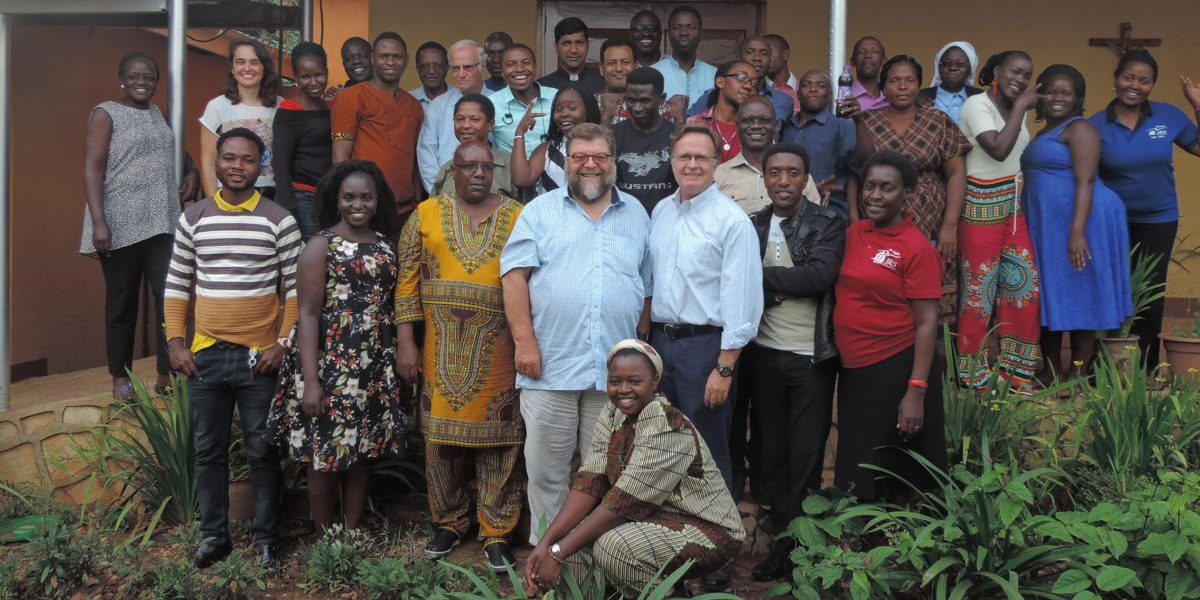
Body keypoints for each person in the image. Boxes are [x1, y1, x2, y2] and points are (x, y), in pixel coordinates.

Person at [501, 123, 653, 545]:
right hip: (549, 365)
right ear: (566, 163)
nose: (590, 165)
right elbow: (514, 278)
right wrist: (525, 343)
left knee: (604, 474)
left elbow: (646, 287)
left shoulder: (637, 213)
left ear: (613, 162)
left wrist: (641, 345)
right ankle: (544, 559)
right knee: (547, 472)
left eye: (600, 157)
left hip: (613, 377)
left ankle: (591, 557)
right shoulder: (539, 211)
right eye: (580, 156)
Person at [164, 128, 300, 570]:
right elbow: (176, 285)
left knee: (262, 450)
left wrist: (282, 344)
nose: (237, 166)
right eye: (229, 158)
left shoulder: (279, 219)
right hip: (204, 356)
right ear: (217, 163)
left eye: (247, 159)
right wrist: (175, 342)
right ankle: (214, 537)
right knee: (208, 451)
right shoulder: (194, 218)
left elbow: (296, 291)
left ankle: (265, 540)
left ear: (262, 167)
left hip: (258, 358)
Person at [524, 340, 745, 597]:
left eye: (635, 381)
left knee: (611, 548)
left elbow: (624, 502)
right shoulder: (612, 414)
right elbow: (590, 483)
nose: (623, 390)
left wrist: (558, 552)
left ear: (655, 382)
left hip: (708, 530)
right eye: (615, 381)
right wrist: (547, 545)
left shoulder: (667, 423)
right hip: (651, 519)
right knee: (574, 555)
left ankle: (666, 594)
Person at [396, 140, 525, 571]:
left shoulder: (517, 216)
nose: (478, 174)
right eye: (469, 166)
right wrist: (406, 342)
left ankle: (497, 532)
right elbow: (406, 282)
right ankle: (449, 522)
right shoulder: (426, 214)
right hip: (438, 349)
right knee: (442, 444)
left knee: (501, 443)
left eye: (486, 167)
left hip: (500, 349)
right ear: (454, 169)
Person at [266, 160, 406, 533]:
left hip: (372, 365)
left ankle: (354, 530)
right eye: (349, 197)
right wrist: (312, 381)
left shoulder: (386, 247)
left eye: (366, 197)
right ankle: (325, 533)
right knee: (323, 452)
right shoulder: (320, 245)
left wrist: (389, 368)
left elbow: (389, 308)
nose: (357, 205)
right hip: (331, 365)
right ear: (336, 200)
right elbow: (307, 314)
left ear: (378, 202)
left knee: (363, 451)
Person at [745, 143, 844, 581]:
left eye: (793, 173)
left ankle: (800, 551)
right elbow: (735, 281)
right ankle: (783, 546)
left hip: (810, 358)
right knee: (773, 453)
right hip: (764, 356)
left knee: (806, 455)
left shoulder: (828, 221)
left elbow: (819, 276)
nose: (783, 181)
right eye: (775, 173)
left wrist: (762, 279)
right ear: (763, 178)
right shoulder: (752, 224)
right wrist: (783, 287)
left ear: (806, 179)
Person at [649, 124, 762, 501]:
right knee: (664, 446)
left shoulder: (732, 221)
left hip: (705, 351)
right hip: (661, 345)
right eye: (685, 156)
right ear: (672, 161)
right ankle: (672, 539)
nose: (692, 164)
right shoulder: (661, 212)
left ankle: (717, 546)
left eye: (702, 157)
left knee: (706, 451)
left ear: (718, 163)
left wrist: (725, 366)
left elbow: (743, 301)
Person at [81, 52, 198, 399]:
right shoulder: (105, 113)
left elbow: (178, 153)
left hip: (161, 222)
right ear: (121, 79)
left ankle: (166, 372)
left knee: (169, 296)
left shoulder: (159, 113)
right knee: (122, 301)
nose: (141, 81)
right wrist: (99, 222)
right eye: (134, 76)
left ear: (156, 81)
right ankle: (120, 376)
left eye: (148, 76)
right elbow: (92, 169)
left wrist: (190, 172)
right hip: (118, 222)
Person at [834, 151, 946, 502]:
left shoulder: (916, 248)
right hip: (855, 371)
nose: (876, 196)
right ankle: (855, 545)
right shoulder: (854, 233)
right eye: (870, 187)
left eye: (887, 188)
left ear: (905, 194)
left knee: (895, 466)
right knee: (858, 459)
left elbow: (928, 323)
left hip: (896, 367)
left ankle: (899, 545)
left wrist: (916, 390)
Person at [1090, 50, 1200, 372]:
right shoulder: (1096, 124)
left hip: (1158, 220)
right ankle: (1105, 368)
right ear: (1115, 79)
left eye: (1144, 80)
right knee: (1112, 290)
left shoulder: (1169, 116)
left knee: (1150, 294)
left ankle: (1147, 369)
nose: (1134, 86)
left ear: (1153, 85)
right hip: (1112, 222)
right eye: (1128, 77)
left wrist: (1197, 105)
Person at [1025, 65, 1132, 380]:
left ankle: (1077, 372)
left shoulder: (1080, 128)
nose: (1058, 98)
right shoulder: (1046, 131)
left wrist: (1077, 232)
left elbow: (1085, 181)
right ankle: (1052, 370)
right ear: (1040, 94)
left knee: (1083, 292)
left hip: (1083, 220)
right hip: (1049, 224)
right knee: (1051, 290)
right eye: (1052, 91)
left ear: (1077, 99)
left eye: (1066, 93)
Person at [847, 55, 970, 323]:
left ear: (919, 85)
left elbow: (957, 173)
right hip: (879, 220)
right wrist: (857, 222)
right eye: (894, 81)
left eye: (909, 80)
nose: (902, 86)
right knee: (883, 286)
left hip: (931, 222)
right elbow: (857, 172)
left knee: (930, 301)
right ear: (883, 87)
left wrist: (950, 225)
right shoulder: (865, 120)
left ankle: (932, 361)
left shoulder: (938, 120)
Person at [955, 51, 1041, 389]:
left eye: (1026, 75)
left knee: (1024, 287)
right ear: (995, 72)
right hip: (980, 205)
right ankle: (973, 375)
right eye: (1015, 72)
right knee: (980, 292)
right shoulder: (978, 106)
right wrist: (1021, 107)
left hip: (1013, 207)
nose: (1020, 80)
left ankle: (1015, 373)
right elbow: (997, 149)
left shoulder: (1013, 107)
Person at [331, 32, 424, 216]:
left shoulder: (414, 105)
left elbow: (415, 158)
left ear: (406, 60)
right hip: (365, 209)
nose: (390, 62)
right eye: (383, 56)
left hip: (405, 208)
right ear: (373, 58)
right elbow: (339, 157)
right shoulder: (350, 98)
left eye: (396, 57)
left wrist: (418, 201)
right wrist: (348, 205)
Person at [199, 39, 281, 198]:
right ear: (232, 68)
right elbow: (208, 161)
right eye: (241, 62)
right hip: (229, 195)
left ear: (264, 67)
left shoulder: (281, 106)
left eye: (254, 62)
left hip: (272, 196)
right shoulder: (217, 107)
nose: (247, 68)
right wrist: (214, 204)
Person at [715, 96, 820, 213]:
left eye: (764, 121)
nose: (756, 126)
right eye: (748, 121)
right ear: (737, 126)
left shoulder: (797, 175)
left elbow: (814, 222)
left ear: (776, 126)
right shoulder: (719, 176)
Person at [273, 41, 331, 240]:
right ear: (296, 78)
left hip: (328, 197)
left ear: (327, 72)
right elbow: (280, 164)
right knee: (310, 258)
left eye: (319, 74)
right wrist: (288, 206)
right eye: (306, 77)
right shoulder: (290, 110)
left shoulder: (329, 107)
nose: (314, 82)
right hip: (303, 198)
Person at [779, 70, 857, 218]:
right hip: (788, 212)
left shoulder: (843, 126)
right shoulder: (785, 127)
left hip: (830, 214)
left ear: (829, 95)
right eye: (807, 85)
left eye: (820, 85)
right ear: (798, 93)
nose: (813, 89)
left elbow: (857, 169)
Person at [417, 39, 491, 193]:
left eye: (468, 67)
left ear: (482, 66)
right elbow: (426, 153)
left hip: (490, 189)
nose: (461, 74)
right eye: (455, 68)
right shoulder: (438, 105)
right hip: (444, 189)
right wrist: (439, 190)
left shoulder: (498, 102)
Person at [685, 36, 796, 127]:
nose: (757, 57)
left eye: (764, 53)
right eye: (750, 52)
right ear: (739, 56)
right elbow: (688, 125)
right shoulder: (713, 95)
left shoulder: (784, 101)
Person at [510, 86, 600, 192]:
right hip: (551, 208)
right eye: (558, 110)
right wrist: (519, 132)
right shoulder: (546, 149)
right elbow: (521, 180)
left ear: (588, 109)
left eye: (572, 108)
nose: (564, 114)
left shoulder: (603, 147)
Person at [613, 67, 678, 214]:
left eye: (644, 101)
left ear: (662, 99)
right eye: (631, 100)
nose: (636, 107)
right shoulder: (615, 133)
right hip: (624, 218)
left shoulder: (676, 134)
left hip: (667, 218)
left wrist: (681, 120)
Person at [431, 94, 517, 199]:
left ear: (490, 124)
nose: (466, 125)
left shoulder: (511, 166)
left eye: (475, 119)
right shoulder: (447, 168)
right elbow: (432, 210)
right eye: (460, 119)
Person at [490, 44, 558, 157]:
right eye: (511, 64)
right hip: (509, 173)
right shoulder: (492, 104)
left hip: (551, 172)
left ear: (535, 67)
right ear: (502, 71)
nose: (520, 69)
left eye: (526, 63)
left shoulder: (556, 97)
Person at [686, 61, 757, 163]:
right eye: (741, 77)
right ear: (720, 82)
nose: (749, 86)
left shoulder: (757, 129)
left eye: (754, 82)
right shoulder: (693, 123)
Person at [596, 38, 673, 126]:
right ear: (601, 69)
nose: (619, 69)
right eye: (612, 63)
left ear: (636, 66)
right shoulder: (591, 102)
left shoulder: (656, 103)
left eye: (625, 62)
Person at [652, 6, 716, 106]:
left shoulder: (715, 75)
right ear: (668, 34)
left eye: (691, 27)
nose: (684, 32)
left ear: (701, 33)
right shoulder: (654, 72)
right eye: (677, 27)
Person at [538, 17, 606, 99]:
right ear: (556, 47)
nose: (574, 50)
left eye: (579, 43)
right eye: (566, 43)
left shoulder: (604, 83)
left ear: (587, 46)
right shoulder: (542, 88)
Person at [918, 41, 983, 124]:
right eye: (946, 63)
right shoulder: (921, 97)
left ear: (971, 69)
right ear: (938, 67)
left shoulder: (980, 97)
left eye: (960, 64)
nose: (952, 68)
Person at [763, 34, 800, 113]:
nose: (763, 57)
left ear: (785, 55)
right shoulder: (757, 91)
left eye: (768, 52)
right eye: (763, 54)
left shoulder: (805, 90)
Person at [850, 36, 888, 111]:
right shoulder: (846, 97)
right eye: (861, 52)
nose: (867, 55)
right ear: (852, 61)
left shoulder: (891, 97)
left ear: (884, 61)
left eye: (874, 51)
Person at [410, 41, 449, 108]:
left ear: (447, 68)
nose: (432, 71)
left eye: (438, 65)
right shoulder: (408, 100)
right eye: (424, 66)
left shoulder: (460, 97)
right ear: (417, 69)